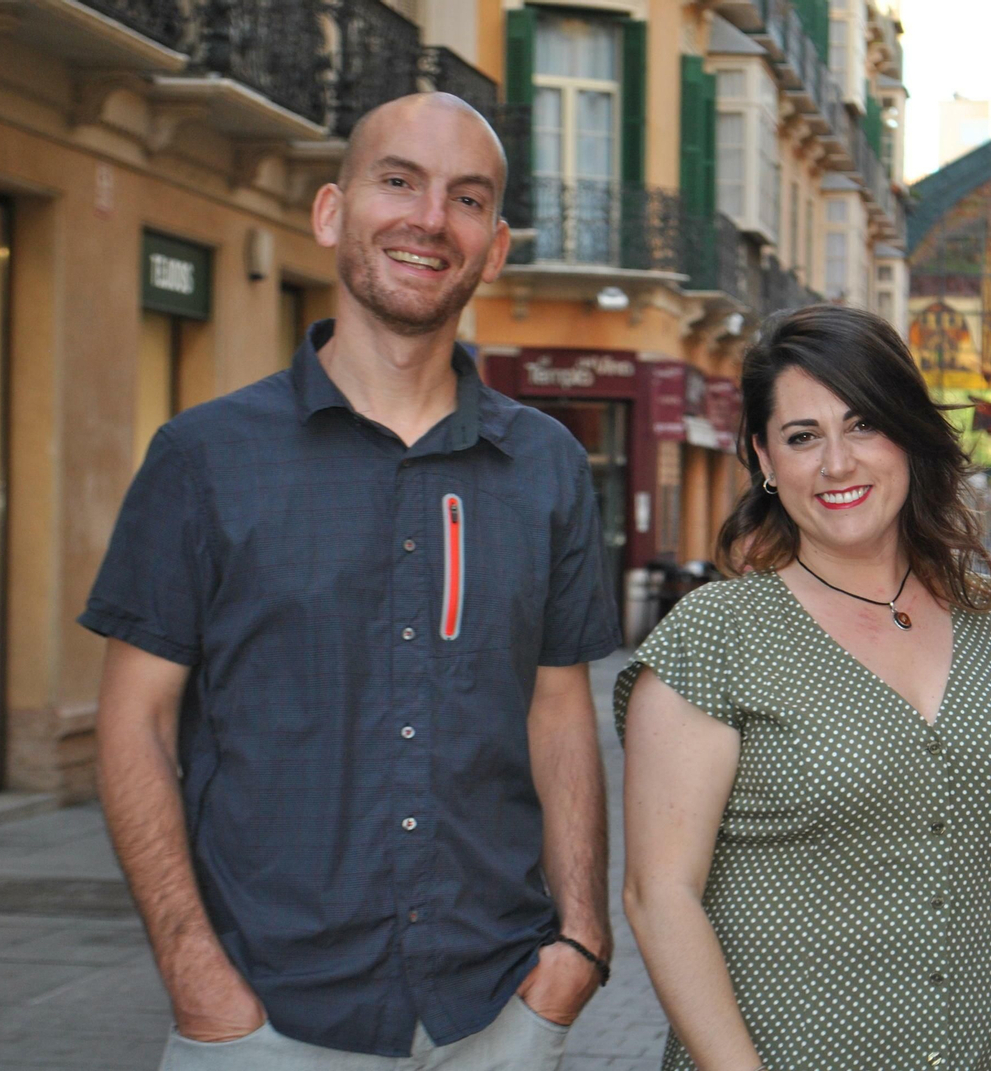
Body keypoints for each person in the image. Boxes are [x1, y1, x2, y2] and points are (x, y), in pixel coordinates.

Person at [81, 94, 621, 1070]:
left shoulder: (545, 466)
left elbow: (558, 712)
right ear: (332, 212)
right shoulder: (203, 458)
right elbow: (135, 724)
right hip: (267, 1019)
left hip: (495, 1009)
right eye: (399, 182)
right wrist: (194, 972)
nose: (429, 219)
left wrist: (578, 944)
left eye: (466, 199)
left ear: (494, 250)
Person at [618, 305, 991, 1071]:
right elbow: (658, 892)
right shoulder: (715, 636)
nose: (837, 463)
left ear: (907, 434)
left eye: (864, 424)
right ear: (765, 461)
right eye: (803, 437)